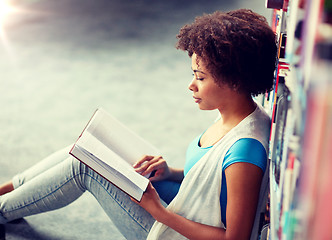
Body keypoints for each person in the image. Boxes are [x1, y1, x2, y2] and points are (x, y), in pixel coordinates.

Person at [0, 8, 277, 240]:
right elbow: (214, 182)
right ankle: (6, 191)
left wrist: (159, 213)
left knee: (83, 165)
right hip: (179, 204)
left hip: (172, 229)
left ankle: (1, 208)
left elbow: (235, 238)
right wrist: (171, 172)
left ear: (235, 81)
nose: (191, 85)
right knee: (89, 148)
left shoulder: (245, 153)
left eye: (201, 77)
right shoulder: (236, 113)